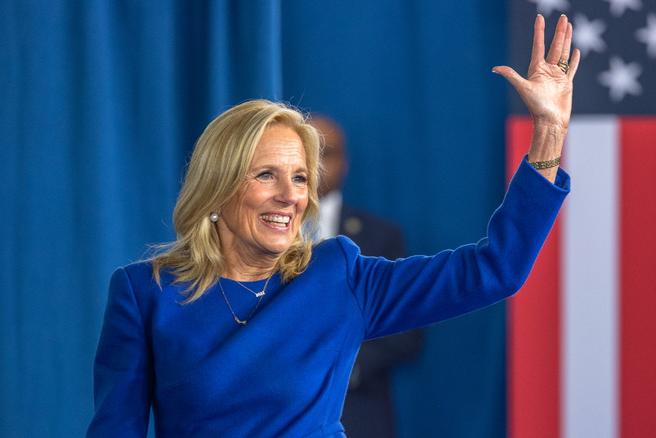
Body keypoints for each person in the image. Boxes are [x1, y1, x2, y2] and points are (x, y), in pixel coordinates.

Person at [88, 14, 580, 437]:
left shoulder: (337, 275)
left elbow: (495, 270)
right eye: (266, 175)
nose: (291, 195)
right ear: (218, 187)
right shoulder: (144, 293)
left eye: (301, 178)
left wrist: (550, 132)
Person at [312, 115, 423, 438]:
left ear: (344, 163)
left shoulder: (380, 237)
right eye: (308, 152)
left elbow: (407, 333)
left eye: (327, 153)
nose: (317, 165)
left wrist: (340, 366)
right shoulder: (264, 233)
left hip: (358, 415)